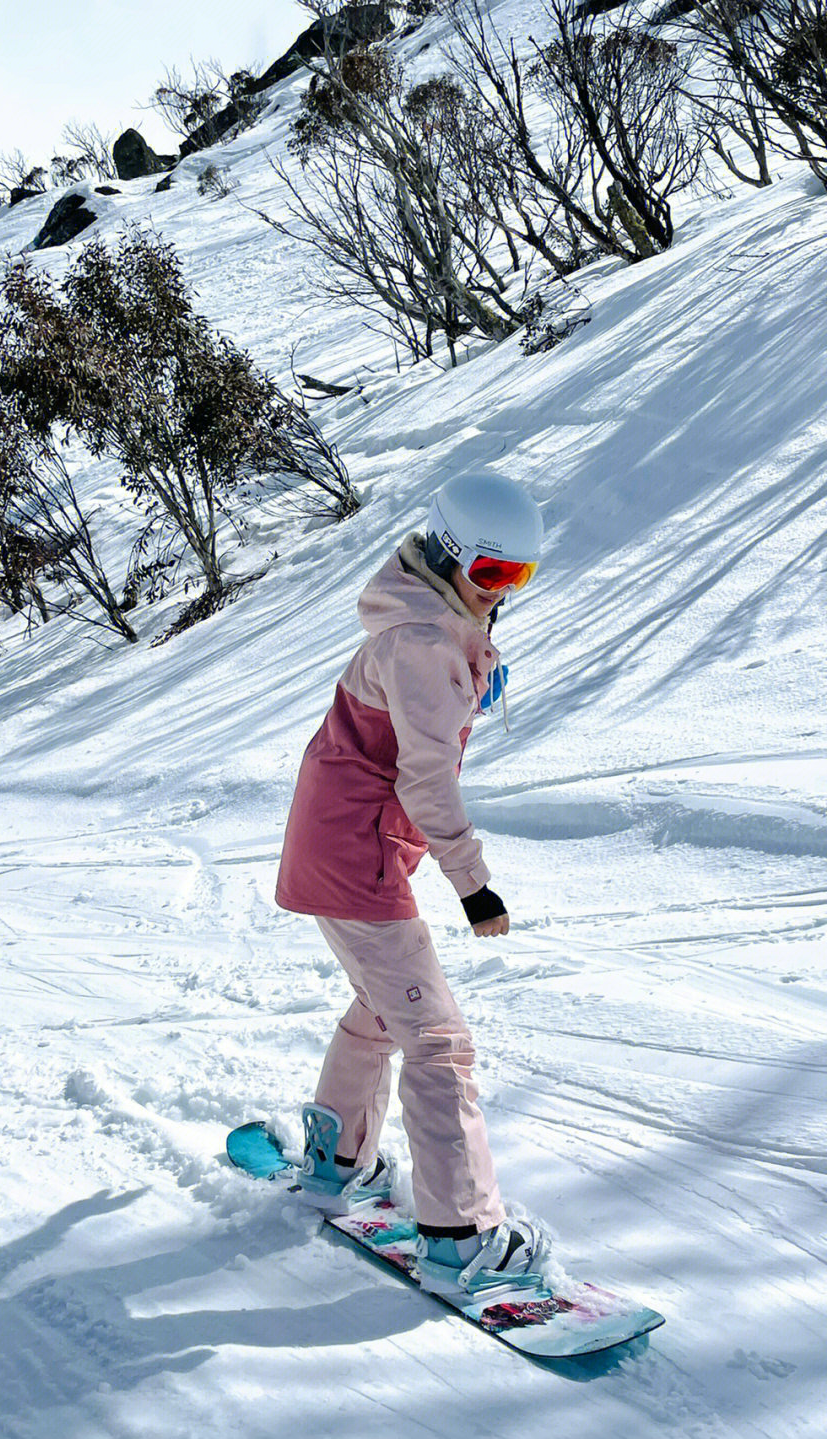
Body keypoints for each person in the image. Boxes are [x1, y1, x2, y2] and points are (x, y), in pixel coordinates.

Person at [275, 470, 548, 1296]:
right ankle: (460, 1237)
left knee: (387, 1010)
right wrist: (475, 886)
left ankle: (336, 1163)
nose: (502, 592)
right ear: (447, 551)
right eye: (492, 574)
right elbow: (426, 785)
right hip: (356, 853)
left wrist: (476, 662)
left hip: (342, 846)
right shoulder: (424, 641)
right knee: (439, 1043)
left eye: (519, 577)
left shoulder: (432, 622)